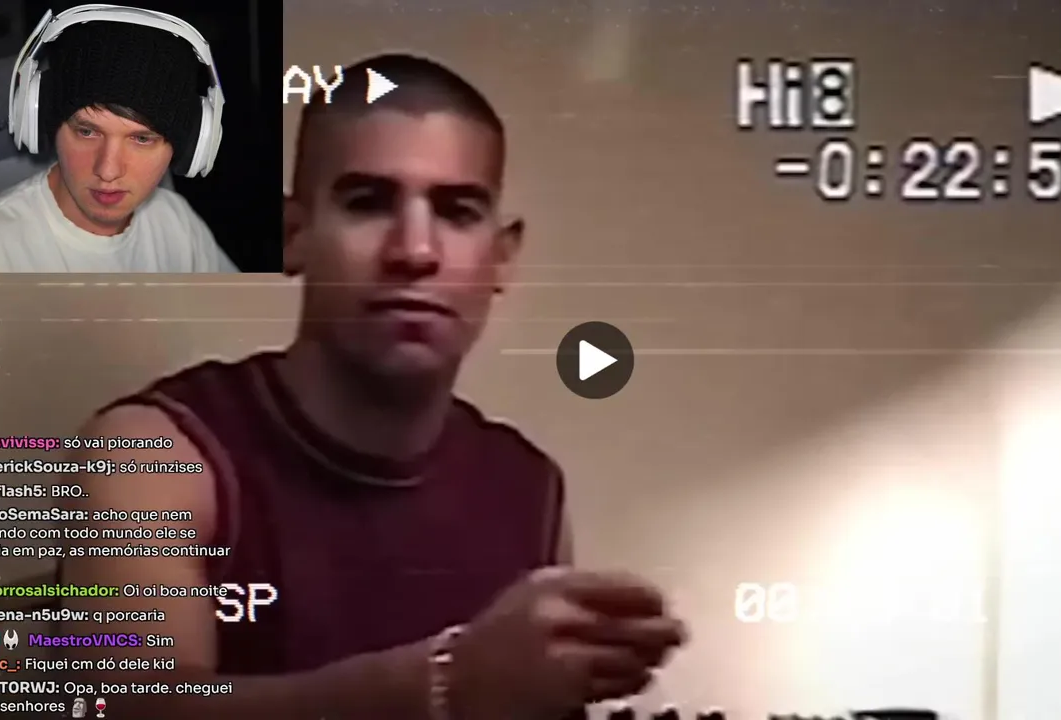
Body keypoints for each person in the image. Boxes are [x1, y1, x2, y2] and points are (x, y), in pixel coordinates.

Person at [55, 53, 686, 718]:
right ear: (293, 235)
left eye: (457, 211)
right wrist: (448, 685)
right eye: (368, 203)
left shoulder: (532, 488)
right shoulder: (155, 453)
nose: (414, 251)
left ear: (501, 259)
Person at [0, 8, 235, 272]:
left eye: (141, 138)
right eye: (87, 132)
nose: (108, 171)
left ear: (190, 146)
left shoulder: (177, 224)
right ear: (42, 122)